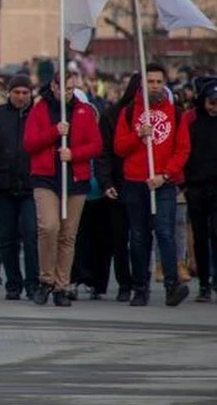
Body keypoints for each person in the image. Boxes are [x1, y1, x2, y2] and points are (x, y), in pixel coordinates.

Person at [114, 63, 191, 307]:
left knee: (165, 234)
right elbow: (119, 148)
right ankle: (140, 287)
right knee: (138, 237)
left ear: (164, 84)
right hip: (135, 182)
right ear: (142, 84)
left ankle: (172, 285)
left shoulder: (175, 113)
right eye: (150, 81)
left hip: (163, 183)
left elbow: (182, 150)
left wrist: (166, 175)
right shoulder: (128, 112)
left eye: (158, 82)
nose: (154, 86)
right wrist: (137, 134)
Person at [24, 72, 102, 307]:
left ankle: (61, 284)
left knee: (68, 235)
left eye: (71, 89)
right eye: (63, 88)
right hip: (46, 177)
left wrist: (74, 154)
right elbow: (29, 143)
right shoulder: (40, 110)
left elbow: (96, 145)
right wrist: (54, 132)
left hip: (75, 179)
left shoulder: (84, 111)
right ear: (54, 86)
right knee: (49, 227)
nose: (67, 93)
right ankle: (45, 279)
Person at [0, 75, 38, 301]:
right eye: (17, 93)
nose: (21, 97)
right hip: (3, 186)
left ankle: (33, 282)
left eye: (25, 93)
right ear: (9, 94)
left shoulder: (37, 115)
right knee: (7, 238)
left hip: (31, 185)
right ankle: (13, 283)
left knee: (32, 235)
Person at [94, 74, 139, 302]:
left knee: (142, 238)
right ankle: (124, 282)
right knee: (119, 239)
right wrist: (106, 182)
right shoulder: (112, 115)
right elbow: (104, 153)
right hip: (120, 184)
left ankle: (141, 281)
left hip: (147, 183)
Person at [183, 79, 217, 302]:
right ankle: (204, 283)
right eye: (211, 102)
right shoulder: (192, 121)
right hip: (196, 186)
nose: (214, 107)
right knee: (200, 236)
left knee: (216, 232)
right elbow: (184, 150)